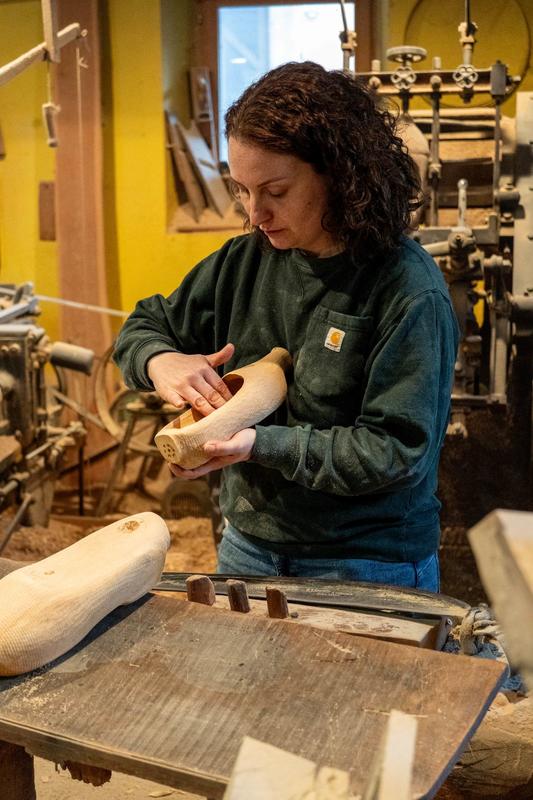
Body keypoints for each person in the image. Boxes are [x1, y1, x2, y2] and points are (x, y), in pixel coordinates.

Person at [114, 61, 459, 591]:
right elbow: (144, 325)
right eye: (243, 190)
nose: (255, 213)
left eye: (275, 191)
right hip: (249, 549)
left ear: (340, 175)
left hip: (365, 563)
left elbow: (395, 451)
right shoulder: (244, 261)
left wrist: (257, 445)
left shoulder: (407, 289)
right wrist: (161, 361)